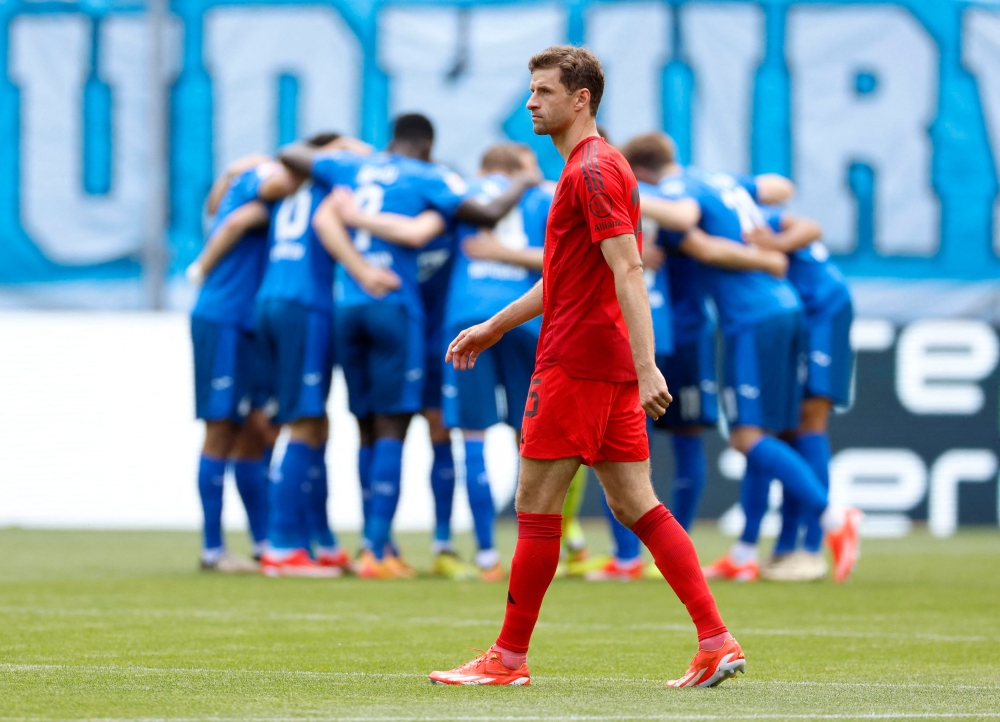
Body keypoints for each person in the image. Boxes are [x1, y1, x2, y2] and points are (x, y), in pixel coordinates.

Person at [429, 45, 744, 689]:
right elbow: (565, 275)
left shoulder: (593, 170)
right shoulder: (593, 167)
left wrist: (648, 364)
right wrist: (492, 328)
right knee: (636, 504)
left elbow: (629, 266)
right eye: (531, 90)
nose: (529, 102)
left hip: (577, 361)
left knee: (535, 503)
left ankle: (507, 658)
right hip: (599, 360)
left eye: (543, 91)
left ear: (581, 100)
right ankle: (716, 641)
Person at [279, 114, 536, 579]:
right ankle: (378, 552)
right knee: (400, 427)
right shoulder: (431, 178)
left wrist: (346, 149)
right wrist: (522, 178)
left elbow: (293, 157)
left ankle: (375, 545)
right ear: (428, 145)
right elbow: (484, 215)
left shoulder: (353, 169)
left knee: (368, 428)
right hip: (396, 306)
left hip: (347, 304)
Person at [655, 165, 861, 585]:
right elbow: (782, 189)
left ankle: (819, 534)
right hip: (790, 308)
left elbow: (699, 236)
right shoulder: (734, 199)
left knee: (778, 428)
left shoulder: (690, 200)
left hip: (806, 308)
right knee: (774, 431)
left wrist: (772, 252)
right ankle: (755, 550)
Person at [254, 134, 400, 577]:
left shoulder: (289, 185)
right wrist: (363, 270)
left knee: (313, 422)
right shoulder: (329, 182)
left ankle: (317, 539)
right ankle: (281, 546)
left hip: (273, 300)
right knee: (304, 423)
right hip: (307, 304)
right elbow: (325, 222)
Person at [187, 156, 303, 572]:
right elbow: (235, 221)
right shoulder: (258, 195)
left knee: (257, 428)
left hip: (251, 323)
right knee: (221, 428)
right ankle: (212, 549)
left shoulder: (242, 188)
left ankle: (262, 542)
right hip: (225, 319)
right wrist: (201, 268)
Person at [741, 208, 854, 582]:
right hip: (792, 314)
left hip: (822, 307)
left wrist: (775, 244)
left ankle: (814, 544)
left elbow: (811, 225)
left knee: (810, 419)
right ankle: (786, 545)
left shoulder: (740, 212)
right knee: (786, 427)